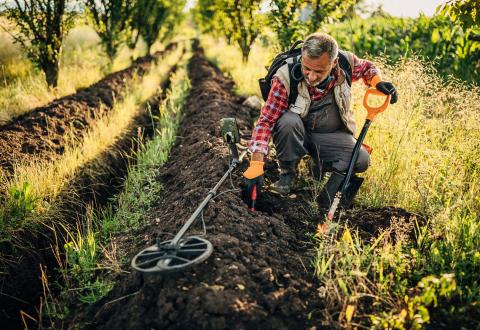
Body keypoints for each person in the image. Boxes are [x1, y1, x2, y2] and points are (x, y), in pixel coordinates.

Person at [243, 32, 398, 195]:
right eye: (306, 68)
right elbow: (266, 122)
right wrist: (256, 164)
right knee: (287, 121)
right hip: (296, 134)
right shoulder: (285, 76)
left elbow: (367, 67)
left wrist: (378, 82)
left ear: (334, 63)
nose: (310, 76)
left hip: (329, 136)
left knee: (361, 160)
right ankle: (287, 174)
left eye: (319, 71)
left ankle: (318, 167)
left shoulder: (345, 64)